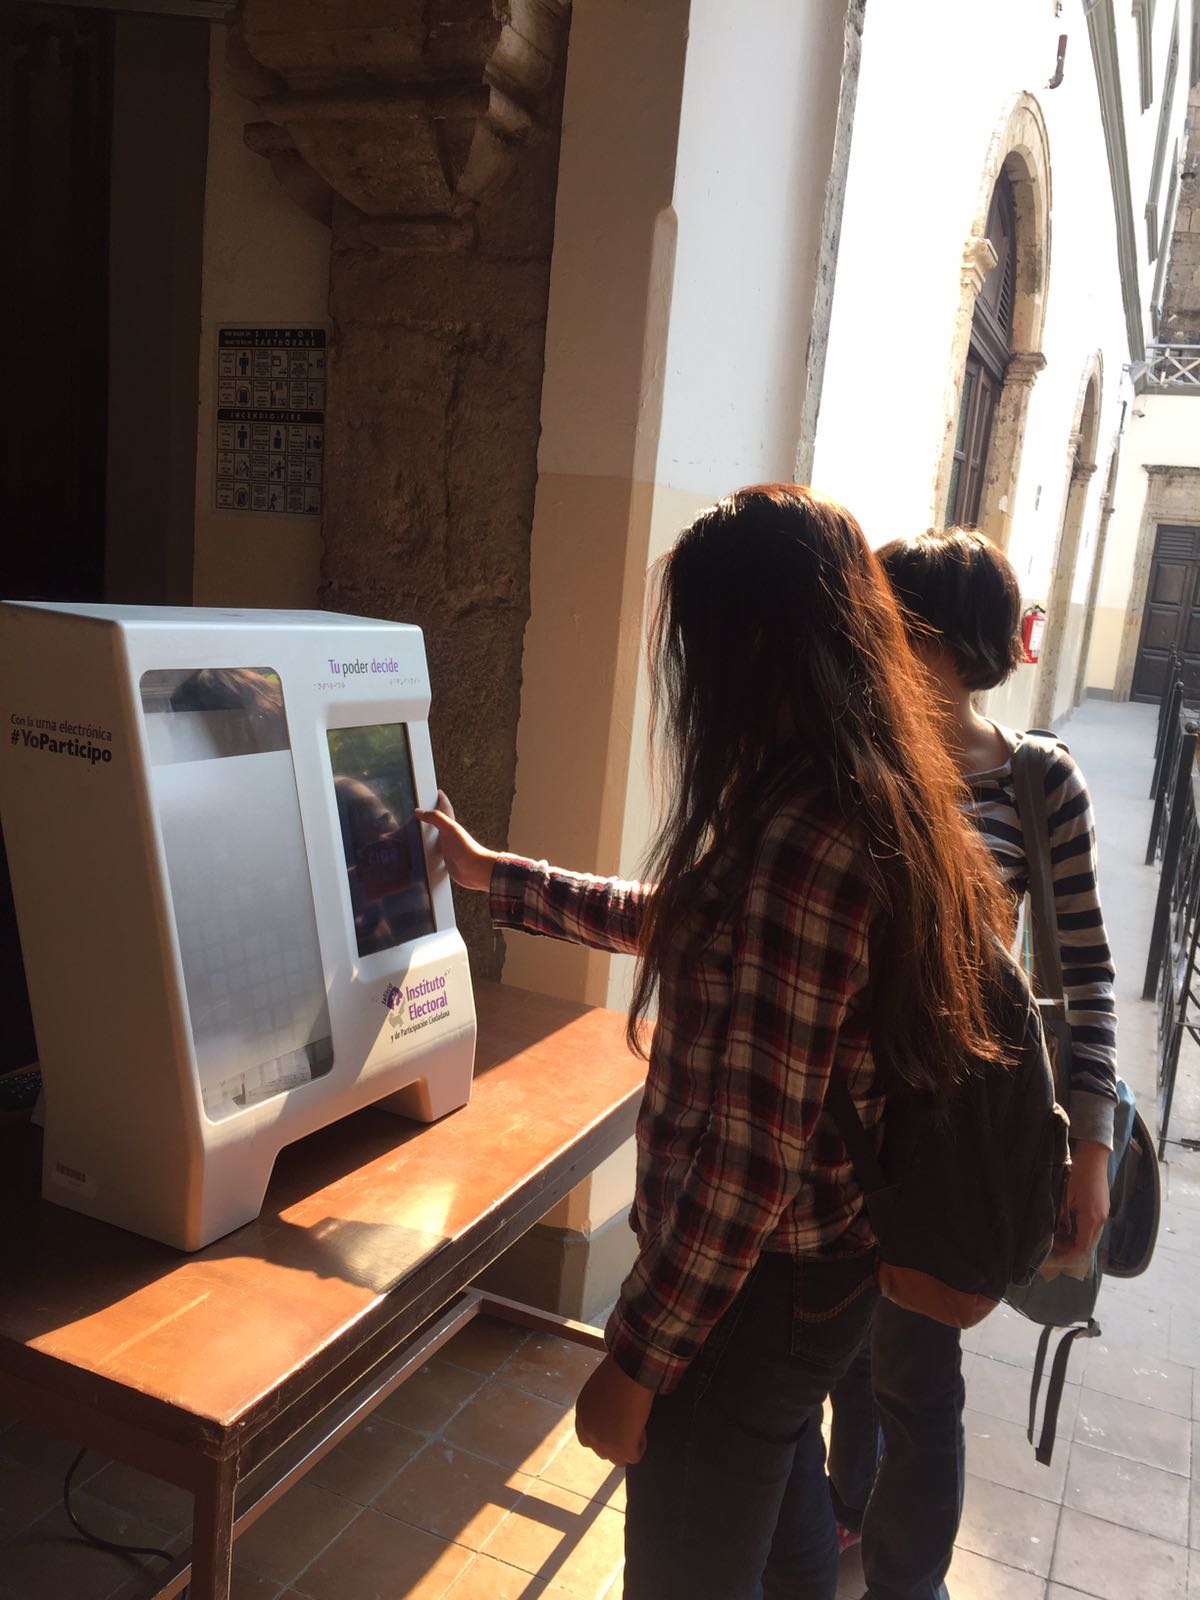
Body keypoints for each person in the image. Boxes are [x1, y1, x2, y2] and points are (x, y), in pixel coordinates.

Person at [417, 486, 1016, 1600]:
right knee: (782, 1530)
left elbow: (748, 1161)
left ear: (752, 644)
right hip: (816, 1276)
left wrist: (637, 1360)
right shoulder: (856, 792)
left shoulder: (808, 833)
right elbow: (697, 920)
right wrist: (499, 878)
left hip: (758, 1293)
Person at [826, 527, 1119, 1600]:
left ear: (947, 645)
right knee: (842, 1357)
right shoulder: (855, 767)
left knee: (914, 1376)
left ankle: (908, 1585)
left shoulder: (1039, 784)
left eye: (890, 625)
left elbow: (1086, 975)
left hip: (947, 1143)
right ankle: (848, 1511)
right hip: (838, 1125)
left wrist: (1091, 1149)